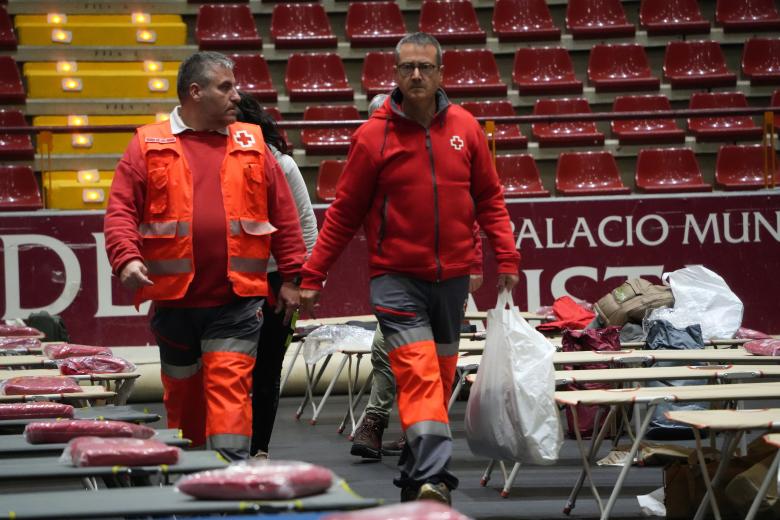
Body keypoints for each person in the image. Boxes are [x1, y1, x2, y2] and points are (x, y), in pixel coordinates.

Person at [299, 33, 520, 504]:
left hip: (453, 280)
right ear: (395, 74)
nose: (416, 75)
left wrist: (506, 255)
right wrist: (313, 274)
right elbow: (342, 214)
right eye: (406, 68)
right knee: (419, 373)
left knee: (439, 377)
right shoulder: (372, 136)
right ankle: (436, 477)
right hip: (396, 281)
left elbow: (489, 199)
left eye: (425, 67)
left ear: (441, 73)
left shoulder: (467, 128)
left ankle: (415, 471)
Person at [104, 51, 306, 461]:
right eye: (225, 87)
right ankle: (192, 480)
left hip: (236, 302)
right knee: (183, 402)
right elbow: (121, 210)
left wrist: (292, 279)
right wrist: (126, 258)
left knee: (230, 395)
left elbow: (284, 215)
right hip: (174, 304)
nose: (237, 96)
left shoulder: (253, 144)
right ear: (195, 92)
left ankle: (231, 485)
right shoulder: (146, 144)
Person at [235, 92, 318, 459]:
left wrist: (298, 283)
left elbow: (306, 227)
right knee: (227, 370)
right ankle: (225, 450)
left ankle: (259, 452)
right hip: (228, 282)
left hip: (273, 284)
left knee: (267, 370)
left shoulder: (281, 164)